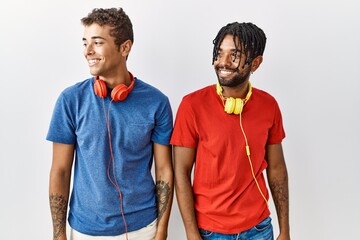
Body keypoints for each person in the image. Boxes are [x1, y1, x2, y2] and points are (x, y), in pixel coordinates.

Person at [47, 7, 173, 240]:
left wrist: (162, 231)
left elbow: (164, 169)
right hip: (85, 230)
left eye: (97, 42)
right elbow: (60, 171)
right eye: (85, 43)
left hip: (143, 228)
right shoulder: (70, 100)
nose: (88, 51)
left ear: (124, 47)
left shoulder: (157, 103)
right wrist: (59, 235)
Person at [171, 22, 290, 240]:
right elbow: (181, 171)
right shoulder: (191, 105)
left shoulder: (269, 105)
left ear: (256, 63)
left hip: (259, 229)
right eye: (219, 53)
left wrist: (285, 230)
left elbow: (277, 168)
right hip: (210, 232)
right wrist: (191, 233)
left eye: (234, 55)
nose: (222, 62)